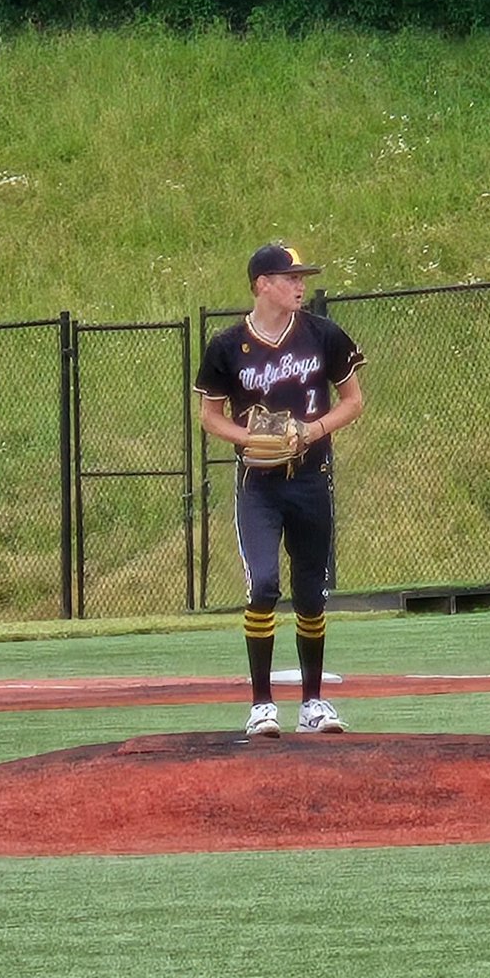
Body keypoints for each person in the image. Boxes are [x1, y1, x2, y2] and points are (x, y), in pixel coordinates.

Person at [194, 244, 366, 737]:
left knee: (312, 594)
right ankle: (261, 706)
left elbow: (353, 402)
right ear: (261, 284)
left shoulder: (321, 334)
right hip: (260, 486)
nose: (299, 285)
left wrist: (311, 431)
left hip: (312, 478)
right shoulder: (227, 346)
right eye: (289, 277)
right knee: (265, 584)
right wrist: (250, 439)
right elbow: (210, 416)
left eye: (301, 277)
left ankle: (313, 703)